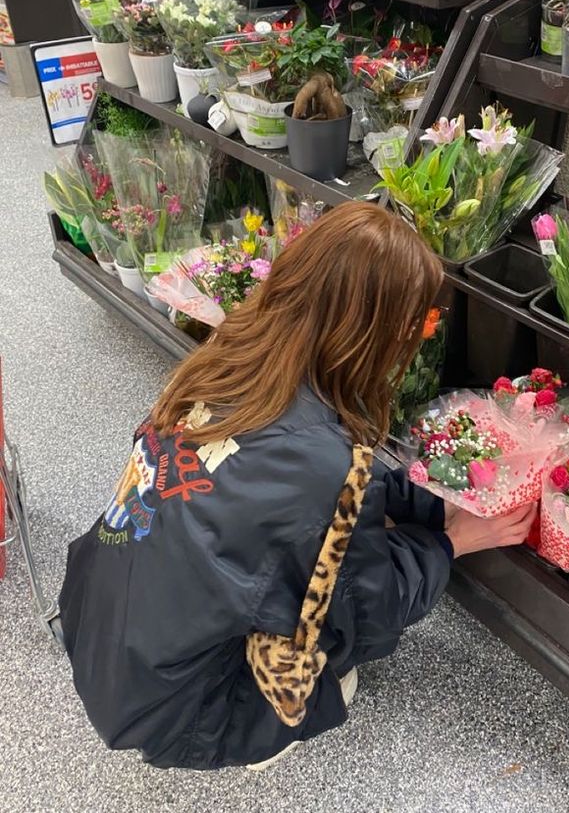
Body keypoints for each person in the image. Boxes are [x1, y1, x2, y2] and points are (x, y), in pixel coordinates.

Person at [59, 202, 536, 770]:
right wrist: (451, 540)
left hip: (103, 632)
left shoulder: (228, 361)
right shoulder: (325, 469)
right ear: (374, 335)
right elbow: (367, 612)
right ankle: (257, 731)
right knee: (336, 657)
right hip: (187, 712)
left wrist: (428, 495)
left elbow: (305, 474)